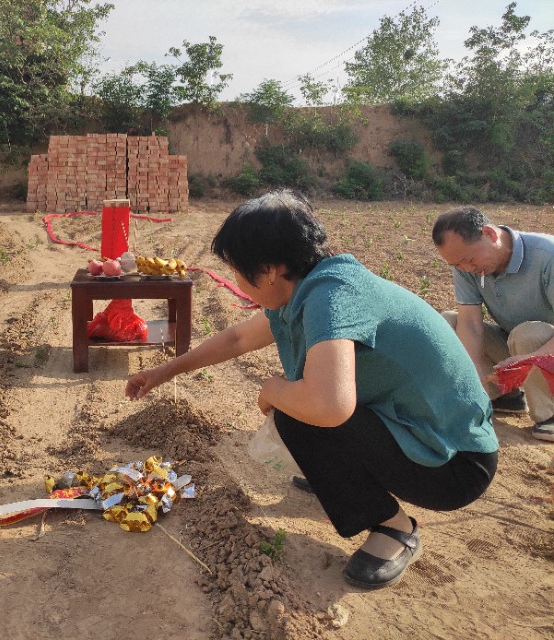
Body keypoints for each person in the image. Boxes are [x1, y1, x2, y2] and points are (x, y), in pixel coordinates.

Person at [125, 190, 498, 590]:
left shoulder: (332, 297)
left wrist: (272, 388)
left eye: (236, 271)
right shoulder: (310, 288)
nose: (237, 282)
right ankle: (342, 472)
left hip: (455, 466)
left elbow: (330, 405)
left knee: (298, 412)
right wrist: (165, 371)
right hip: (423, 434)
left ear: (268, 269)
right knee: (299, 406)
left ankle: (395, 528)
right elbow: (236, 340)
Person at [432, 207, 554, 442]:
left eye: (469, 260)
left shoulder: (547, 255)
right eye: (457, 265)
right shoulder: (466, 266)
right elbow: (469, 324)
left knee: (527, 334)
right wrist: (476, 379)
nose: (466, 269)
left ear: (489, 234)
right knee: (448, 322)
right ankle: (505, 396)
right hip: (516, 346)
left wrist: (529, 358)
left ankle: (549, 414)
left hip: (543, 348)